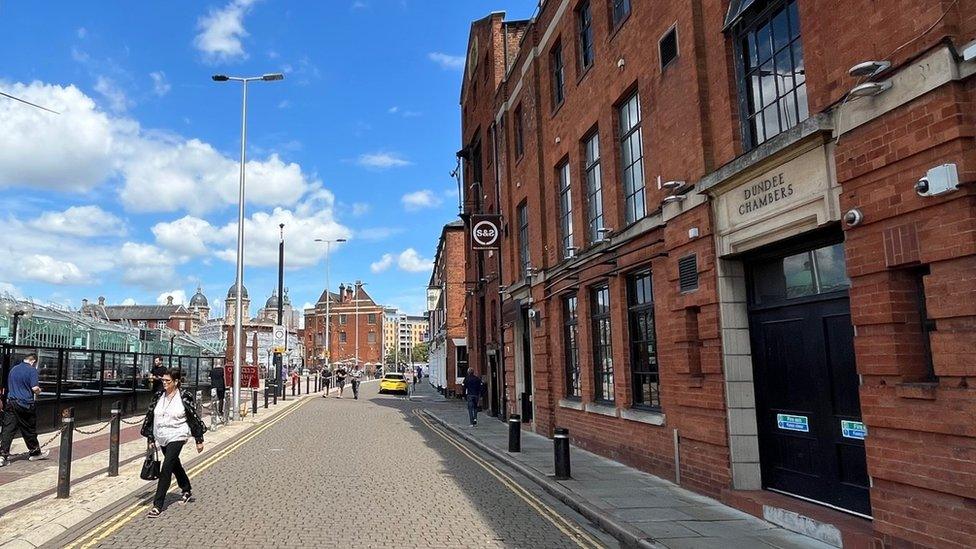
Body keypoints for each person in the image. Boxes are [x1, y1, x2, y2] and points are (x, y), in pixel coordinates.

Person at [141, 368, 206, 517]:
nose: (164, 383)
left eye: (167, 381)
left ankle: (158, 505)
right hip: (161, 435)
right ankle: (186, 488)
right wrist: (150, 437)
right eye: (163, 380)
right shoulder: (159, 396)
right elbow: (151, 416)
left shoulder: (184, 396)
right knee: (174, 463)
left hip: (178, 434)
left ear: (176, 382)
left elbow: (192, 417)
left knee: (167, 467)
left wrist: (198, 439)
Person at [0, 353, 49, 467]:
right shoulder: (31, 371)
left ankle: (2, 456)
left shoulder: (14, 369)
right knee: (29, 429)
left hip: (11, 403)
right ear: (33, 361)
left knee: (8, 429)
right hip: (25, 404)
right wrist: (39, 391)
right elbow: (34, 388)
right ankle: (35, 452)